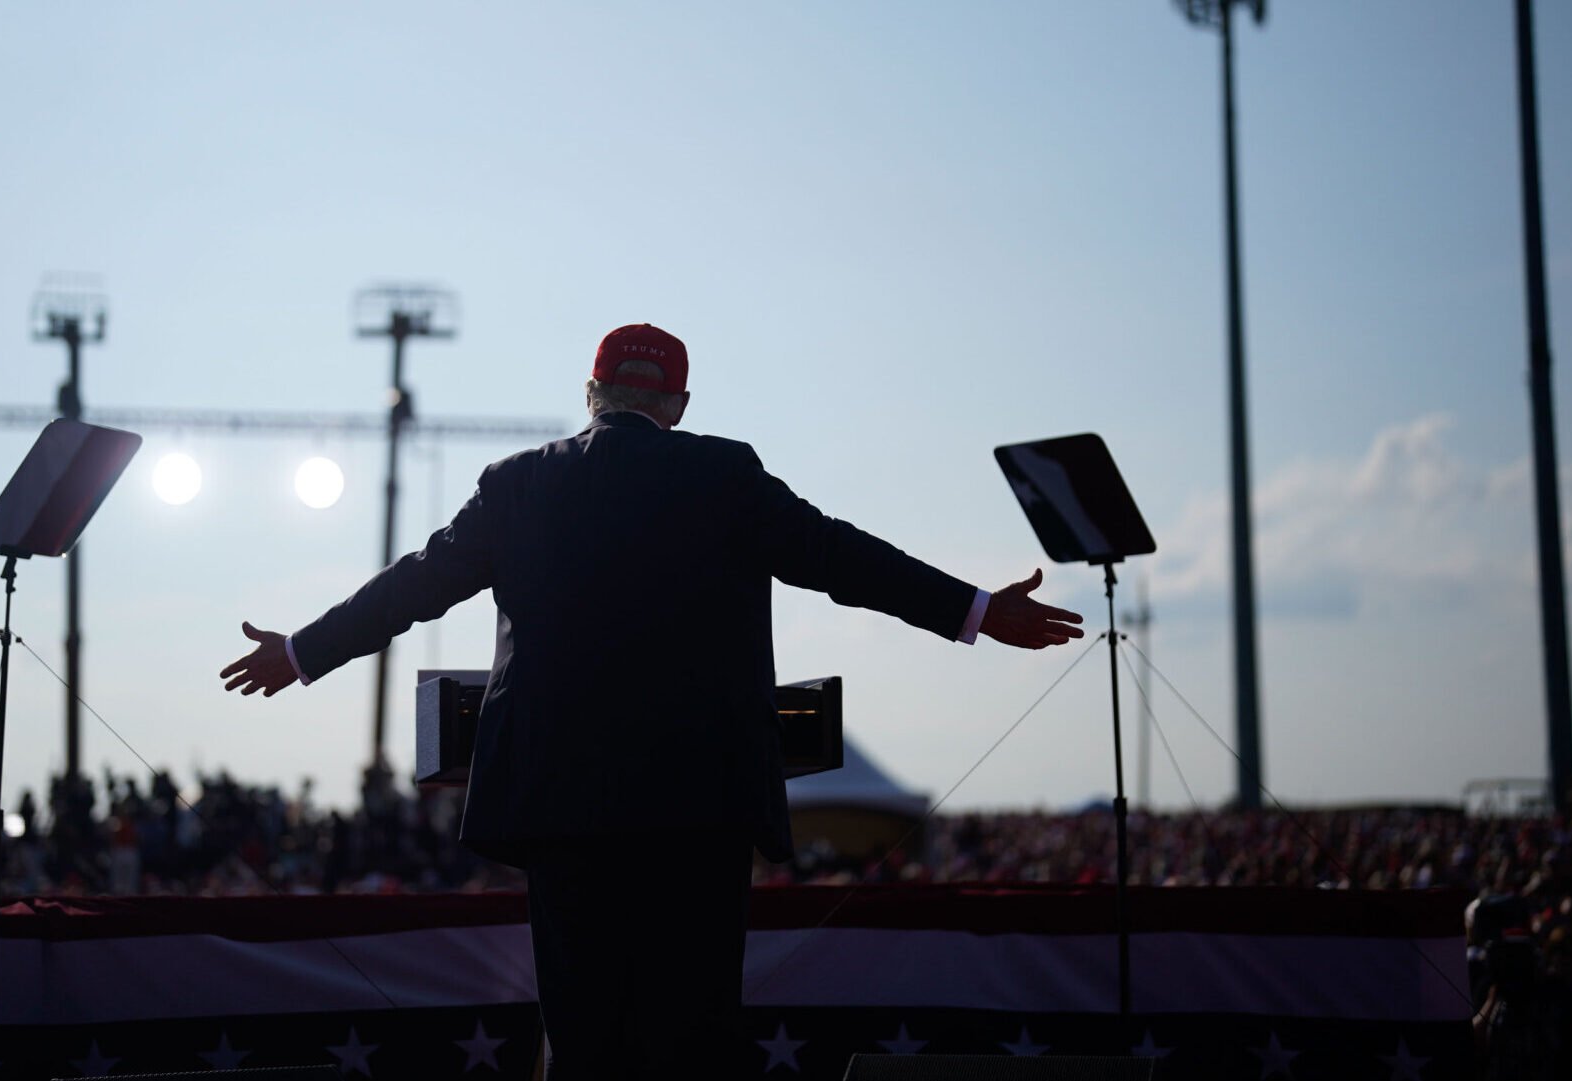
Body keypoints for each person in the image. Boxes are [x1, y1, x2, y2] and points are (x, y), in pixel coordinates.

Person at [220, 323, 1084, 1079]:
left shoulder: (517, 484)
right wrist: (974, 608)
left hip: (561, 808)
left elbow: (416, 585)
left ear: (591, 394)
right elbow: (838, 556)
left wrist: (302, 651)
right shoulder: (725, 472)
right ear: (676, 401)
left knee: (586, 1037)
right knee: (692, 1038)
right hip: (698, 808)